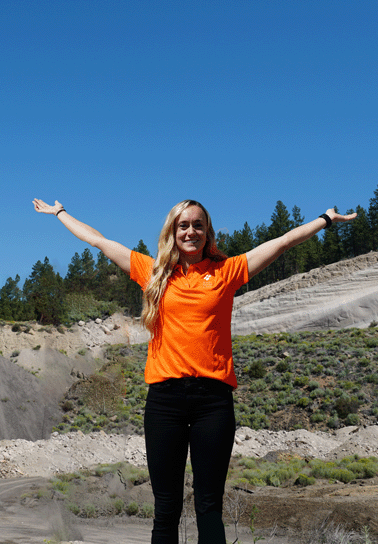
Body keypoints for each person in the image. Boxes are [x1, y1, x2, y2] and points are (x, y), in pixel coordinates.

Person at [33, 198, 356, 544]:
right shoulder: (153, 271)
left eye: (197, 225)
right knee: (166, 508)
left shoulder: (227, 272)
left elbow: (282, 243)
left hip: (212, 403)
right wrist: (61, 214)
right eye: (183, 225)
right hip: (165, 403)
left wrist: (326, 219)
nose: (190, 231)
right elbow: (98, 240)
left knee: (208, 508)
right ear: (173, 232)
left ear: (207, 232)